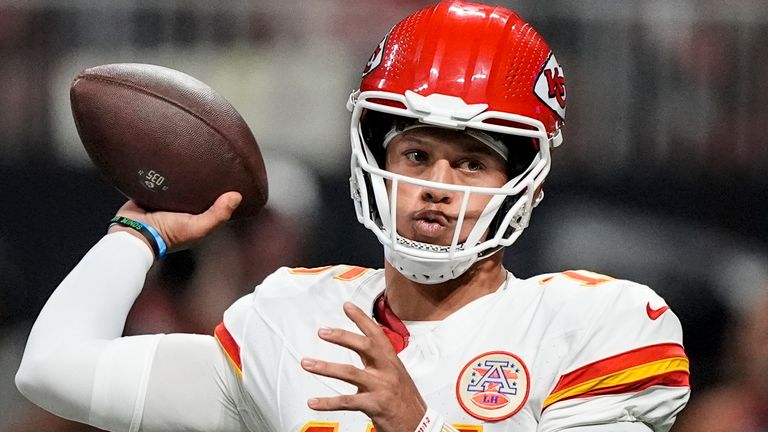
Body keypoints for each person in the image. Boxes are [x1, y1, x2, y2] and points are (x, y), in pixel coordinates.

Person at [15, 2, 690, 431]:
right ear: (372, 159)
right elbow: (54, 368)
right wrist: (140, 233)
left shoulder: (596, 327)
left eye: (470, 164)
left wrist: (416, 425)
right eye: (417, 154)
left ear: (527, 185)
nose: (435, 186)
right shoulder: (293, 316)